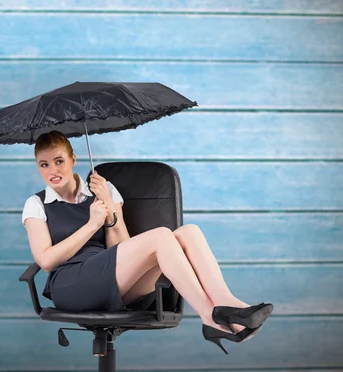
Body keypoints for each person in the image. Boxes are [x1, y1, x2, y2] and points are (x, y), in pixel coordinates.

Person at [21, 130, 273, 355]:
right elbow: (45, 261)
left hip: (108, 277)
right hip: (70, 285)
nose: (52, 171)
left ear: (73, 160)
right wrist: (91, 225)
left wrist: (109, 209)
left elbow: (121, 246)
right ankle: (209, 317)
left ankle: (229, 305)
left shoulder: (101, 190)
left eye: (59, 161)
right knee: (162, 235)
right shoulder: (37, 204)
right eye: (44, 164)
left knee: (189, 233)